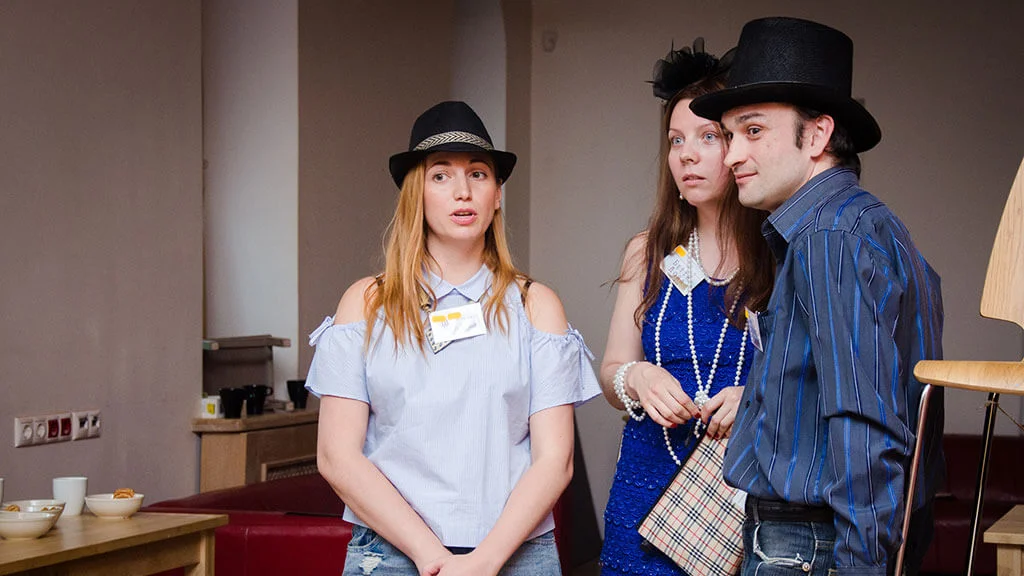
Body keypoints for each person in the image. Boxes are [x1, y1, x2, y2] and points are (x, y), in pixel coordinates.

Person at [690, 17, 944, 576]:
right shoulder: (865, 225)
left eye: (753, 131)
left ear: (818, 135)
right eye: (729, 135)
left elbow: (866, 424)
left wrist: (861, 565)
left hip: (811, 544)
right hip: (819, 539)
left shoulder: (830, 237)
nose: (731, 155)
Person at [305, 101, 601, 576]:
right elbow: (337, 456)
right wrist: (431, 557)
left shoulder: (536, 305)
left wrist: (484, 561)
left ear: (497, 194)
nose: (463, 191)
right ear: (415, 195)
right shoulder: (366, 304)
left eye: (478, 174)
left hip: (516, 554)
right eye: (440, 175)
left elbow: (555, 460)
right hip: (390, 554)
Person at [598, 40, 774, 576]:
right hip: (642, 491)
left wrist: (756, 397)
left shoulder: (782, 256)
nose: (686, 155)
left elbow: (812, 380)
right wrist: (638, 377)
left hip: (733, 500)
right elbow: (610, 372)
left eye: (707, 137)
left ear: (740, 147)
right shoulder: (647, 250)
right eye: (676, 140)